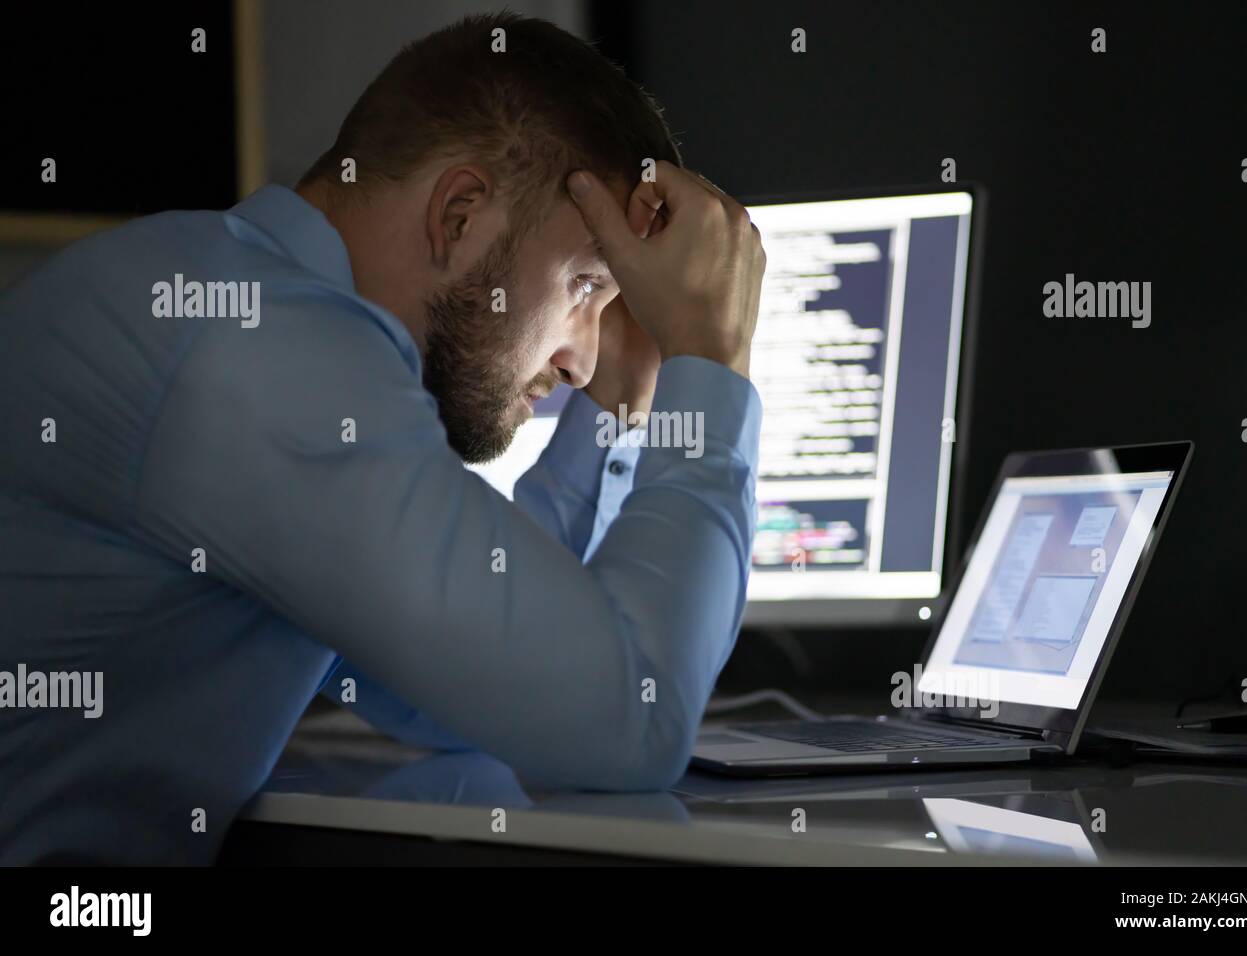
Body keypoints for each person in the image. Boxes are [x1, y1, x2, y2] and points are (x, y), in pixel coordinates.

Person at [0, 12, 764, 864]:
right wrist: (710, 359)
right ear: (461, 214)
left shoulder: (236, 303)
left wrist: (618, 410)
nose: (583, 357)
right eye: (586, 282)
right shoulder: (254, 346)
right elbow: (634, 719)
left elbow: (479, 683)